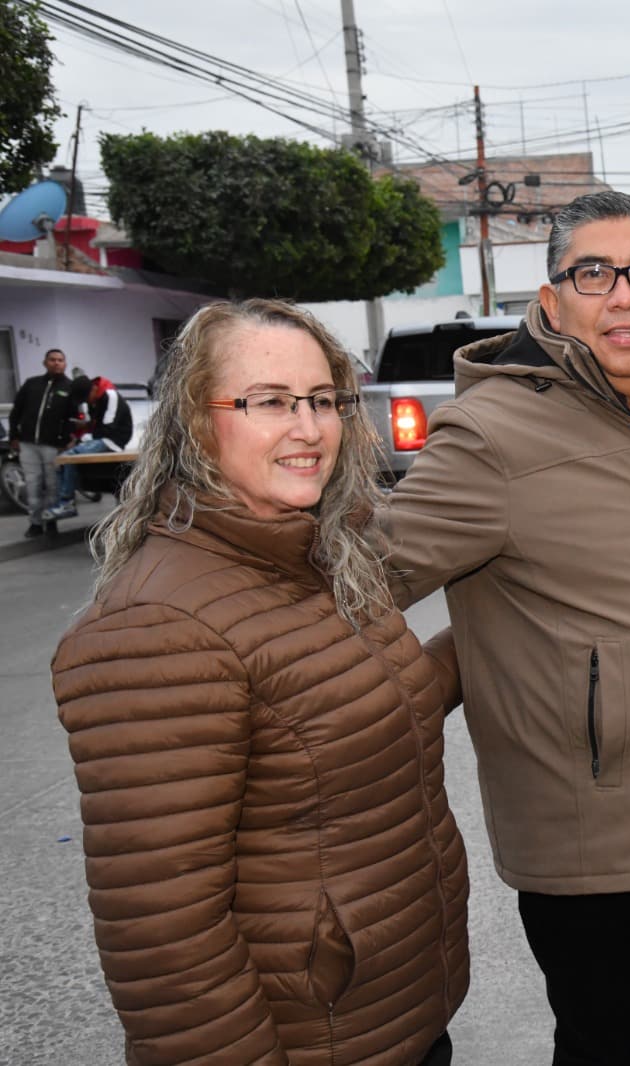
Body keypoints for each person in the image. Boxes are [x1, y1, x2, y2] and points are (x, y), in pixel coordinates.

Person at [380, 190, 630, 1065]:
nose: (623, 295)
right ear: (553, 299)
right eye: (593, 273)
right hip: (592, 849)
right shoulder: (491, 436)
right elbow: (366, 576)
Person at [52, 300, 468, 1066]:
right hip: (313, 1038)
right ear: (195, 423)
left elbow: (362, 708)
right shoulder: (155, 628)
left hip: (394, 1016)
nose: (308, 429)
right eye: (269, 402)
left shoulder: (309, 555)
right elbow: (163, 931)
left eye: (322, 400)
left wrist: (506, 638)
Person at [45, 375, 135, 521]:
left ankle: (66, 502)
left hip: (112, 441)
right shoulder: (94, 400)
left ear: (93, 389)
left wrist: (83, 438)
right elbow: (94, 426)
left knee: (69, 458)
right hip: (102, 439)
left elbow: (108, 427)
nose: (87, 402)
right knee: (63, 459)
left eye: (86, 398)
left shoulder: (110, 395)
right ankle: (64, 502)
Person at [8, 347, 74, 537]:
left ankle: (51, 521)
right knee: (33, 484)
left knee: (53, 484)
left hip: (53, 446)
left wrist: (65, 440)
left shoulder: (69, 387)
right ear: (45, 363)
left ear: (65, 364)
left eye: (60, 360)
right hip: (28, 444)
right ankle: (35, 523)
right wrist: (14, 435)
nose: (56, 363)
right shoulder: (32, 384)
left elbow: (72, 418)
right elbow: (16, 411)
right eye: (52, 359)